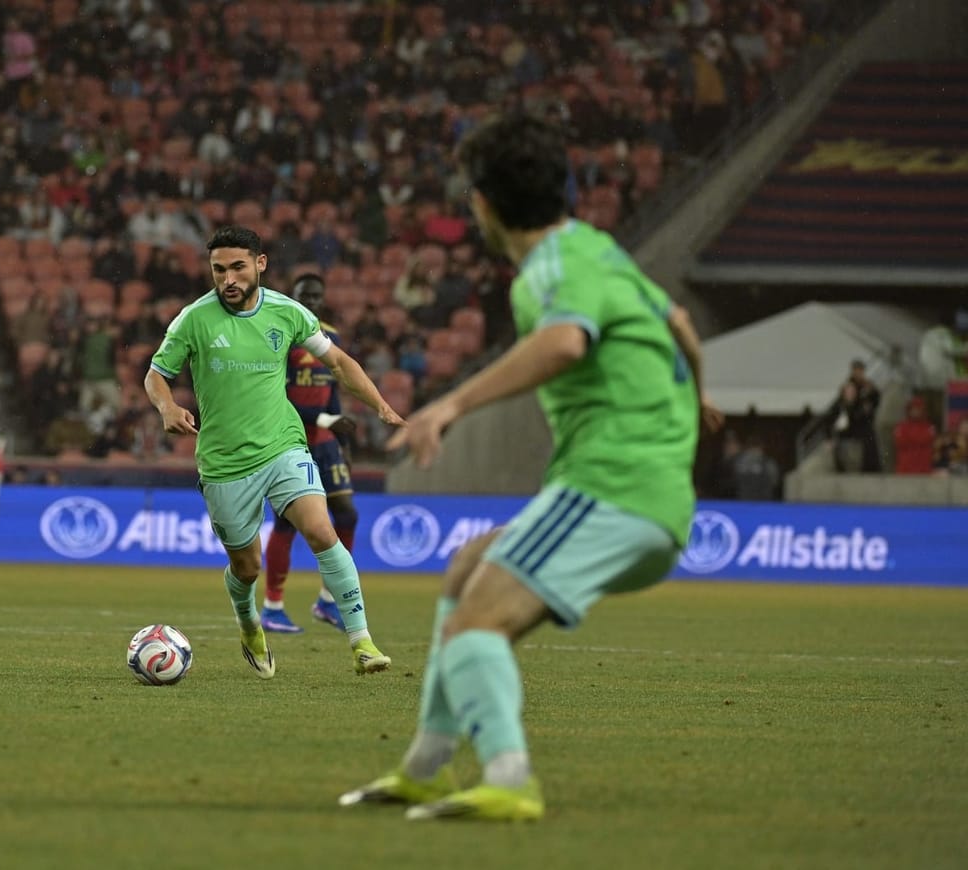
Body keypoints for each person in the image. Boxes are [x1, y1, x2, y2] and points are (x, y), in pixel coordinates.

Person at [339, 113, 722, 821]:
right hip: (649, 489)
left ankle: (509, 779)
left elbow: (565, 343)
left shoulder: (549, 268)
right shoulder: (600, 249)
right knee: (467, 569)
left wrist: (450, 406)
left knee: (475, 626)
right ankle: (424, 767)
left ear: (482, 203)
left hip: (613, 487)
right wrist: (695, 408)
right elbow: (683, 327)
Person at [144, 226, 405, 678]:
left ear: (260, 264)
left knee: (322, 531)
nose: (228, 279)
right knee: (247, 567)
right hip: (224, 463)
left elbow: (338, 362)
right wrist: (167, 407)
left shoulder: (287, 312)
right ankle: (250, 624)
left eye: (237, 267)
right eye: (219, 270)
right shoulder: (193, 319)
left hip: (283, 446)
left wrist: (380, 404)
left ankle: (362, 642)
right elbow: (155, 374)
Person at [260, 273, 357, 634]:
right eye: (304, 295)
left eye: (316, 296)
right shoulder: (279, 337)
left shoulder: (331, 337)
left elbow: (333, 392)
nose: (311, 301)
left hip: (325, 442)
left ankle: (328, 601)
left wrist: (343, 443)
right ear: (293, 296)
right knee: (287, 522)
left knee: (346, 514)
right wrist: (327, 420)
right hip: (289, 439)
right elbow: (276, 400)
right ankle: (272, 607)